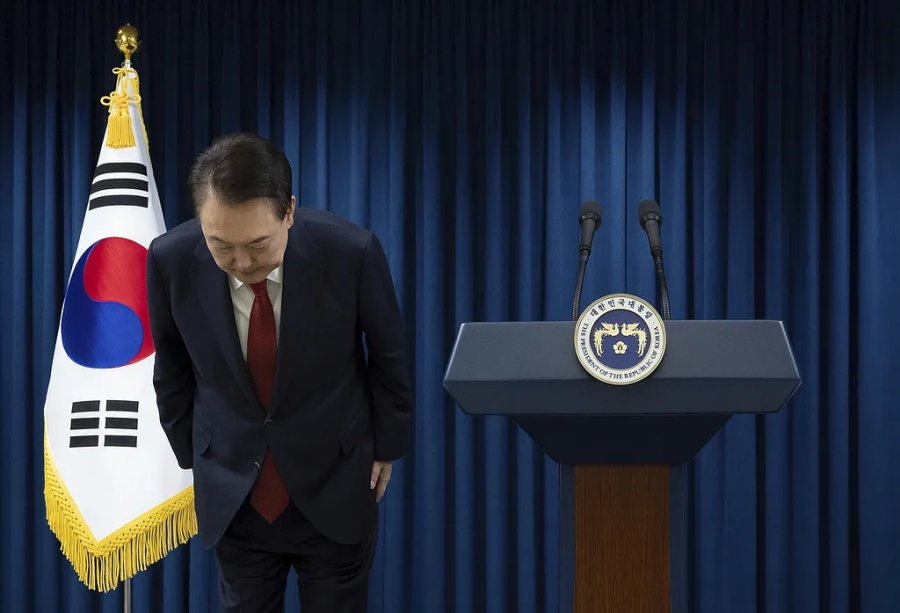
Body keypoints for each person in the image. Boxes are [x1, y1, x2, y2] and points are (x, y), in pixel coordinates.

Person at [146, 132, 413, 613]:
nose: (242, 263)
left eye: (258, 244)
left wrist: (386, 446)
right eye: (220, 245)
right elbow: (170, 365)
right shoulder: (170, 260)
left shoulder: (351, 252)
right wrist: (199, 457)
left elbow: (389, 355)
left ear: (289, 211)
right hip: (235, 491)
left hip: (334, 480)